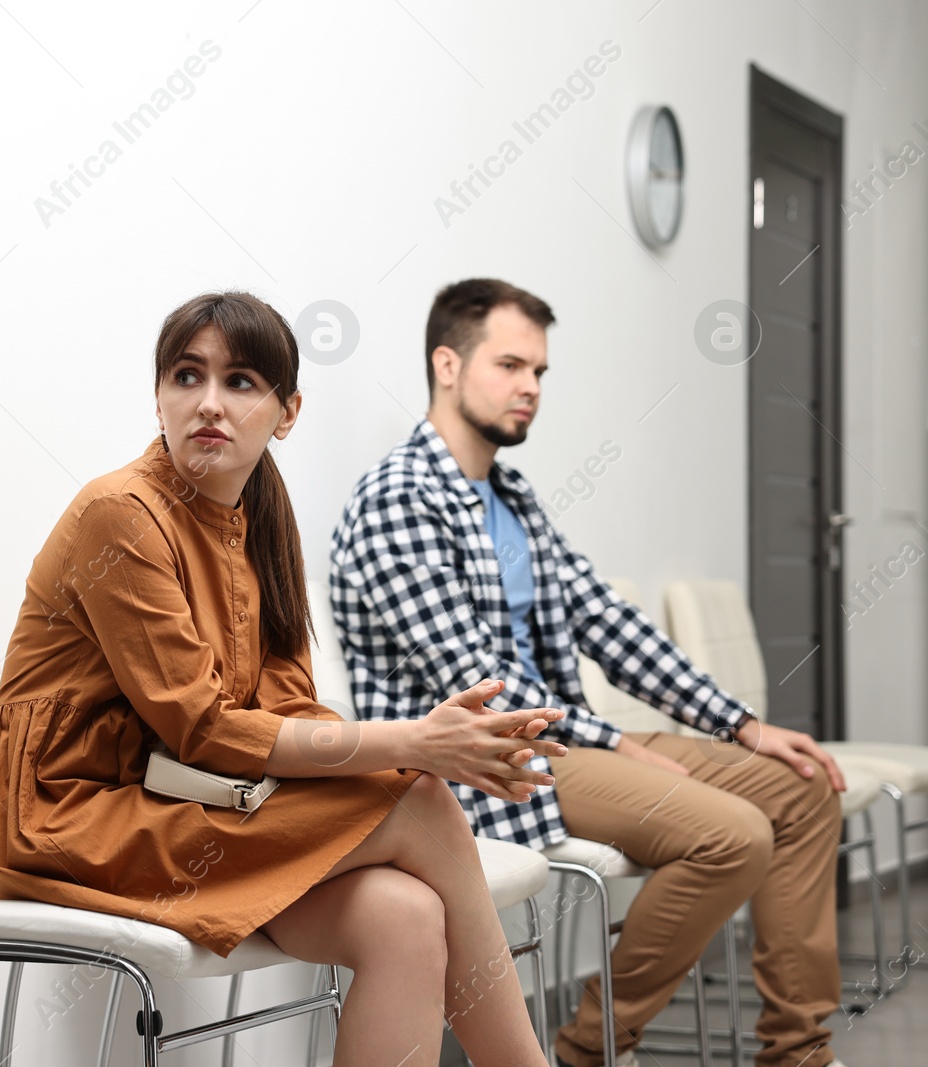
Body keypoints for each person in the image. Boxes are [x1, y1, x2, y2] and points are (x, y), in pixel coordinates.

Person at [0, 290, 565, 1067]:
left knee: (405, 915)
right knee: (421, 798)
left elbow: (284, 707)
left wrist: (417, 746)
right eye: (187, 376)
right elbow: (206, 729)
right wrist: (420, 745)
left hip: (171, 800)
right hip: (65, 815)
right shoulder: (119, 514)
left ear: (287, 412)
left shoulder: (261, 516)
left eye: (241, 382)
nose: (209, 403)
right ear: (158, 396)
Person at [329, 278, 848, 1067]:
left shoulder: (512, 498)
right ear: (446, 364)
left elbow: (611, 621)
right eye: (510, 365)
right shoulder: (397, 499)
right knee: (734, 836)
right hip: (487, 764)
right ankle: (588, 1049)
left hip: (567, 740)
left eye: (539, 370)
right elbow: (479, 680)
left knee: (804, 788)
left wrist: (740, 723)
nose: (531, 387)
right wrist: (612, 740)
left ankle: (798, 1055)